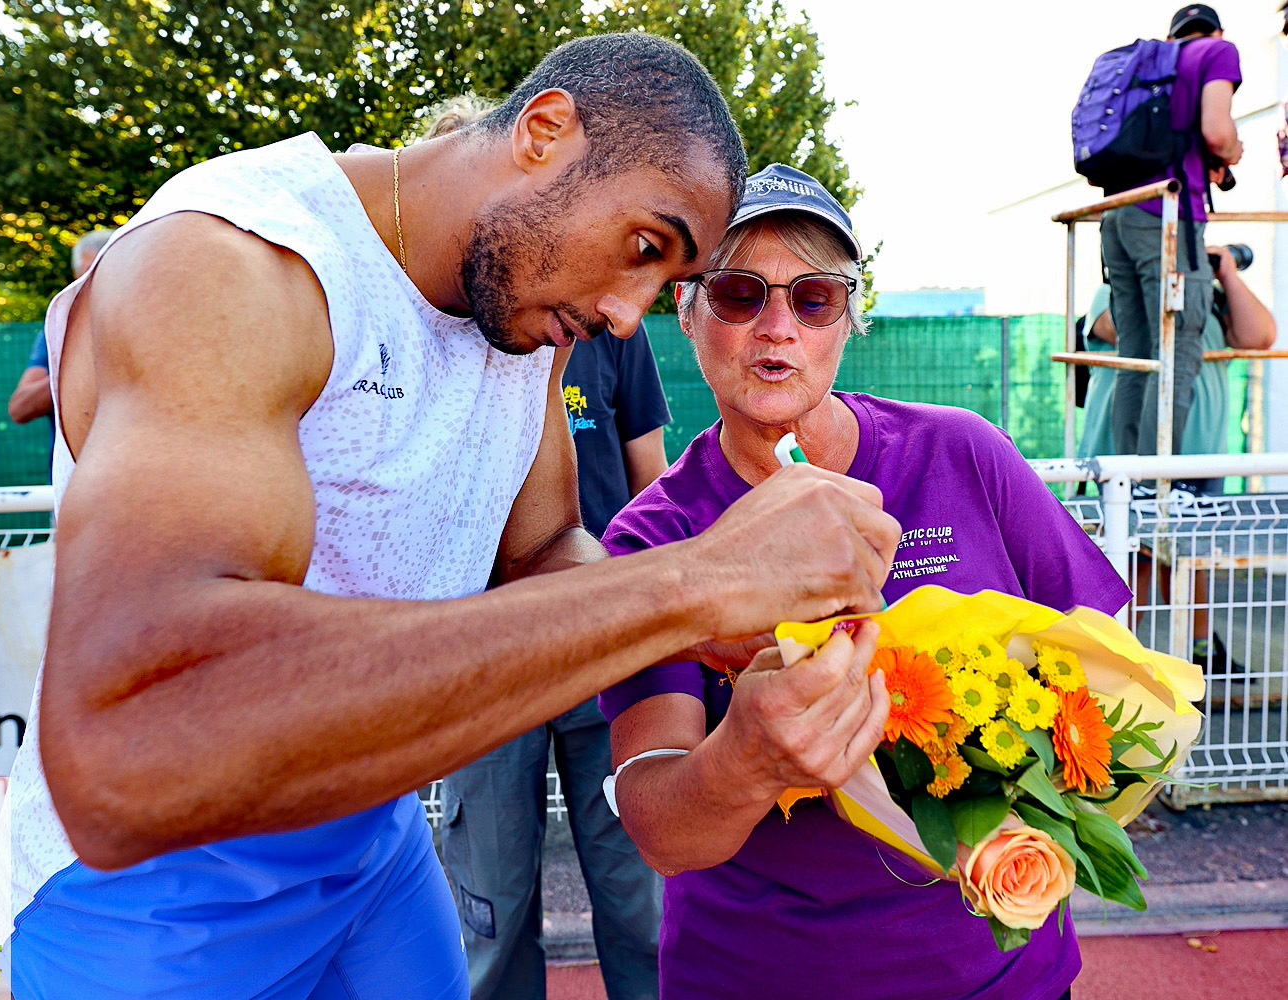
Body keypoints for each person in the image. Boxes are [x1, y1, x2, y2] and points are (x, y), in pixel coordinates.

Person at [0, 33, 902, 1000]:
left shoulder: (522, 315)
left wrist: (726, 632)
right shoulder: (231, 266)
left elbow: (543, 548)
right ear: (546, 131)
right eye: (644, 247)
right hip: (155, 885)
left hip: (375, 840)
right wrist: (694, 581)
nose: (631, 313)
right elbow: (131, 740)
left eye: (666, 281)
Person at [598, 164, 1134, 1000]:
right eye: (740, 293)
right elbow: (659, 824)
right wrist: (747, 755)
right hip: (760, 977)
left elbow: (1108, 663)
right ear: (688, 309)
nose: (779, 328)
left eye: (813, 299)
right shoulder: (654, 536)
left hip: (1003, 974)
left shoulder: (965, 452)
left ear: (848, 317)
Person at [421, 89, 670, 1000]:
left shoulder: (592, 323)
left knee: (639, 894)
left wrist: (657, 600)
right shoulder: (428, 339)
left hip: (598, 650)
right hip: (484, 661)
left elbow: (654, 484)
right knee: (489, 905)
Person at [1077, 245, 1275, 674]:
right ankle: (1116, 661)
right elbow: (1139, 331)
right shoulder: (1111, 293)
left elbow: (1260, 335)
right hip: (1131, 453)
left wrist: (1226, 276)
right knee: (1136, 557)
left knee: (1188, 552)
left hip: (1197, 454)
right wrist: (1171, 279)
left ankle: (1201, 649)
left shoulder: (1213, 301)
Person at [1103, 4, 1241, 479]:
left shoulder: (1154, 62)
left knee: (1137, 356)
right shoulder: (1216, 52)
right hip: (1166, 219)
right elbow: (1218, 132)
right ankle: (1161, 485)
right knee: (1179, 353)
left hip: (1116, 216)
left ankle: (1124, 482)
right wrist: (1233, 149)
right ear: (1216, 31)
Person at [8, 229, 114, 429]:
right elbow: (20, 407)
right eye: (91, 271)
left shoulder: (155, 325)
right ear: (76, 274)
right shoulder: (61, 327)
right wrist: (84, 368)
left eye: (113, 270)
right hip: (79, 461)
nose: (102, 279)